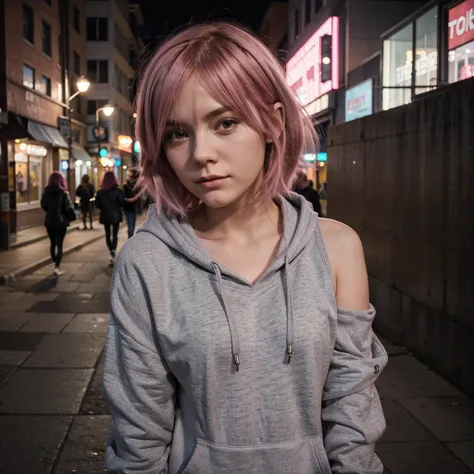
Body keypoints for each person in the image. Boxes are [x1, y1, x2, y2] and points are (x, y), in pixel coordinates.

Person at [104, 22, 387, 474]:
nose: (200, 154)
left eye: (225, 123)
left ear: (273, 122)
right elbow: (139, 430)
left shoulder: (336, 248)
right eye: (178, 133)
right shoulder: (146, 262)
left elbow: (352, 402)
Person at [41, 171, 74, 276]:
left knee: (52, 243)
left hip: (49, 220)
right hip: (61, 221)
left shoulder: (46, 193)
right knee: (59, 244)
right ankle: (57, 266)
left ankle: (54, 260)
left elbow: (44, 205)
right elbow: (67, 208)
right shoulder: (64, 193)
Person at [95, 171, 124, 266]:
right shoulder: (118, 191)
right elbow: (121, 202)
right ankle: (113, 251)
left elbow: (97, 205)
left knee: (107, 234)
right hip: (115, 214)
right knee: (115, 234)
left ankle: (111, 251)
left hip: (105, 215)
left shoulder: (100, 192)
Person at [122, 169, 139, 238]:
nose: (127, 176)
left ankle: (130, 237)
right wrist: (132, 199)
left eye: (128, 175)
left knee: (131, 225)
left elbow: (138, 196)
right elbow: (124, 197)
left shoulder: (135, 185)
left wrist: (131, 199)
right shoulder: (126, 185)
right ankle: (130, 238)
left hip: (132, 207)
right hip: (129, 208)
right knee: (131, 225)